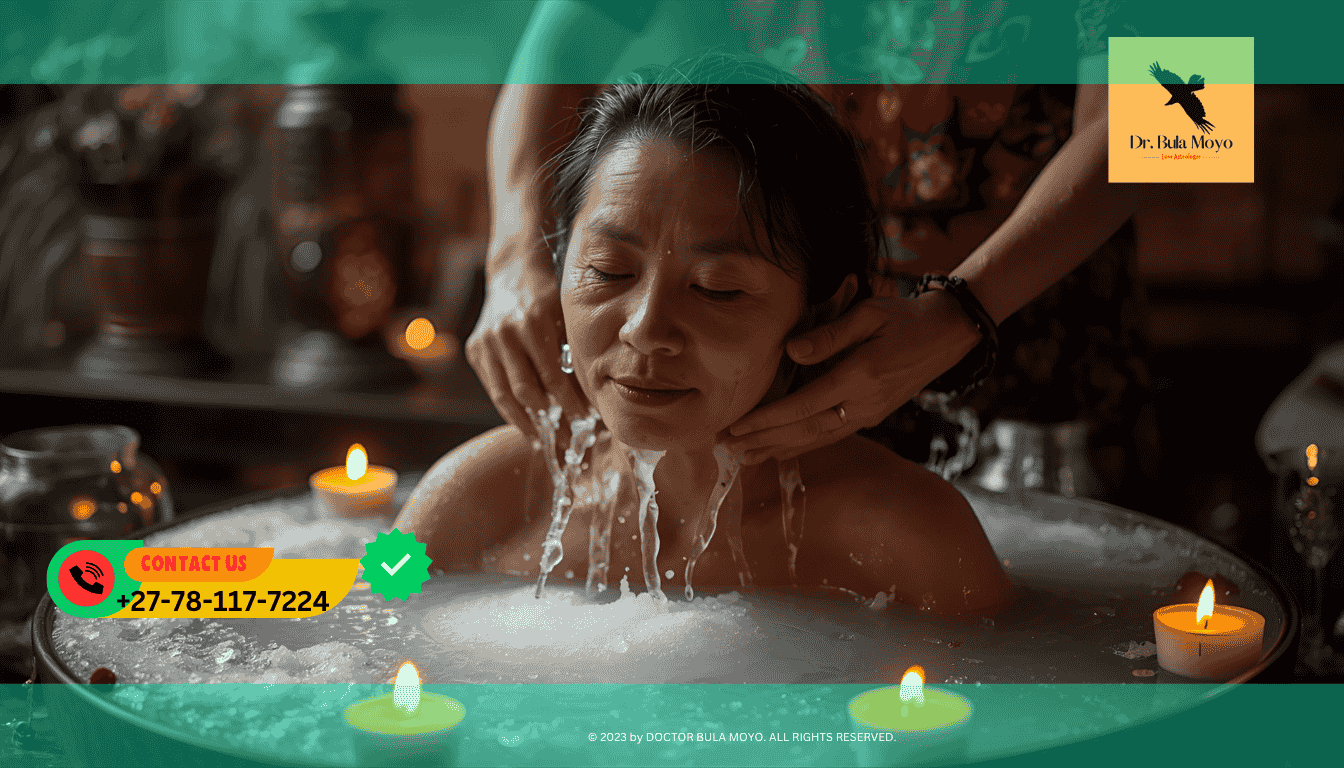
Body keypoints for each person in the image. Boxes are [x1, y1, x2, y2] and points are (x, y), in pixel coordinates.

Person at [468, 1, 1159, 507]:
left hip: (1033, 360)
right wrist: (510, 262)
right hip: (781, 352)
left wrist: (964, 311)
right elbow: (556, 52)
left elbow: (1184, 125)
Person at [398, 57, 1012, 616]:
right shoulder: (471, 501)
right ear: (555, 272)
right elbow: (361, 625)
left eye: (718, 288)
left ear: (825, 311)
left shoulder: (913, 544)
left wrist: (970, 305)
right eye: (608, 271)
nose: (645, 330)